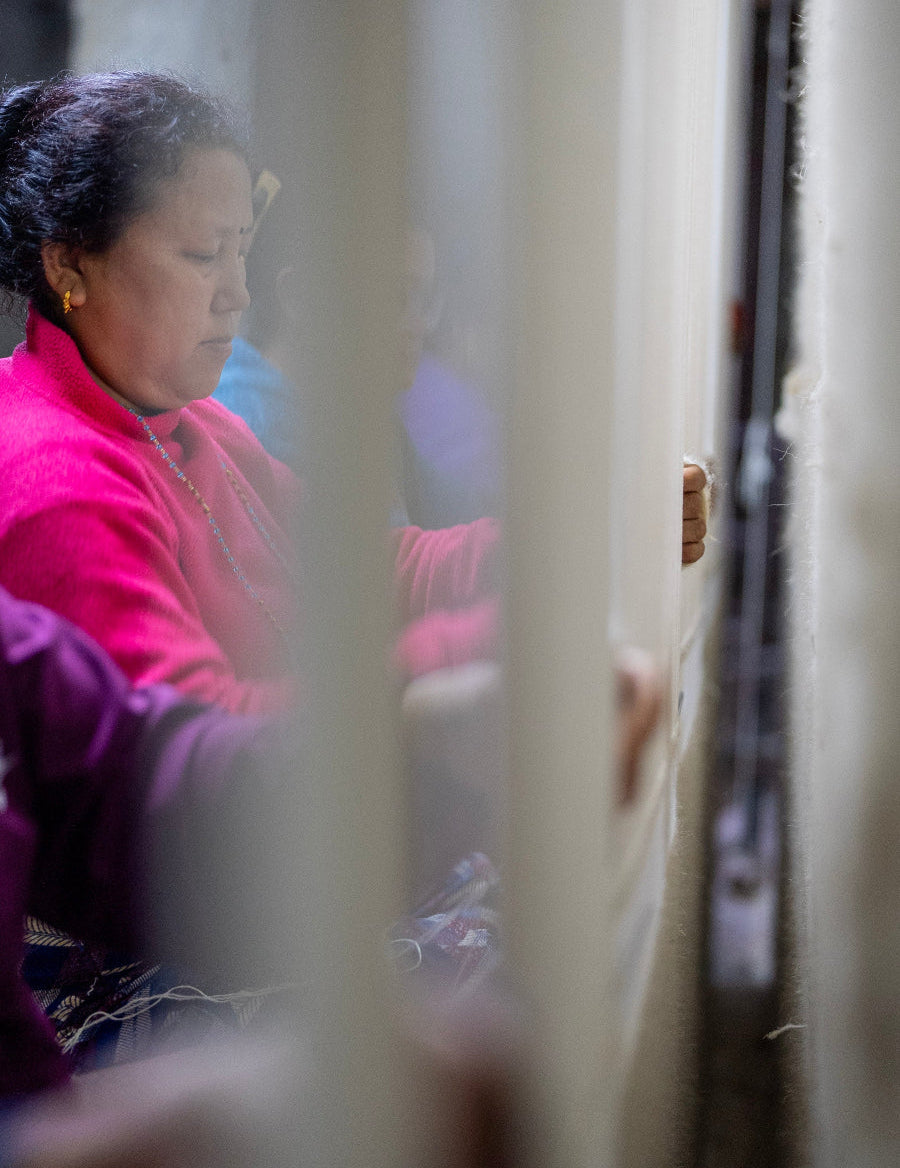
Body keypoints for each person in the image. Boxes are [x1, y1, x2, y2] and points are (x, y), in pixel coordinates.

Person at [0, 72, 501, 716]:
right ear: (68, 264)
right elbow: (194, 747)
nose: (238, 292)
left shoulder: (189, 418)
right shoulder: (56, 483)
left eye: (240, 251)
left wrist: (543, 550)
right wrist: (472, 647)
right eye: (204, 253)